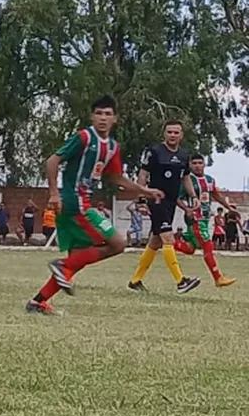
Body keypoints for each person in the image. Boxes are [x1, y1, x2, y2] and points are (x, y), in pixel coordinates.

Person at [26, 96, 162, 315]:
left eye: (108, 114)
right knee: (117, 243)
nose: (103, 118)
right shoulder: (84, 137)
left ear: (115, 118)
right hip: (74, 203)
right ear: (92, 116)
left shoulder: (112, 147)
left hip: (84, 203)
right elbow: (52, 161)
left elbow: (116, 178)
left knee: (78, 259)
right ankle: (61, 265)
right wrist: (54, 194)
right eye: (99, 113)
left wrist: (144, 190)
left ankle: (38, 302)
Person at [127, 121, 201, 294]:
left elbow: (186, 178)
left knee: (155, 241)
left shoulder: (184, 155)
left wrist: (194, 196)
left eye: (176, 132)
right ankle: (181, 281)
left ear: (181, 135)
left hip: (171, 202)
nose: (172, 135)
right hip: (156, 200)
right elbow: (143, 175)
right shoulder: (154, 152)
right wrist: (141, 199)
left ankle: (135, 281)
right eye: (169, 132)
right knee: (168, 238)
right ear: (164, 134)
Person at [173, 154, 236, 287]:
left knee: (190, 248)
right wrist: (187, 209)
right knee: (208, 246)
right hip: (195, 218)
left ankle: (170, 242)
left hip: (206, 218)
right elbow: (177, 198)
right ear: (190, 165)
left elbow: (217, 195)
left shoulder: (210, 180)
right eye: (194, 163)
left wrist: (229, 207)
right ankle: (218, 278)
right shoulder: (187, 180)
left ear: (204, 164)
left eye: (200, 163)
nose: (197, 166)